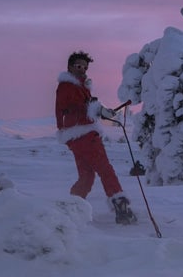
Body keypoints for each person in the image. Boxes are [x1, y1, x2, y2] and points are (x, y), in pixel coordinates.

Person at [55, 51, 137, 225]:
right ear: (69, 67)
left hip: (75, 137)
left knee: (87, 176)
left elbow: (81, 108)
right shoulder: (68, 86)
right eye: (78, 66)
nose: (82, 69)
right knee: (105, 170)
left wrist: (101, 110)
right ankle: (121, 209)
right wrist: (97, 109)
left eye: (85, 67)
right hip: (85, 136)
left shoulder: (77, 87)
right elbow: (76, 107)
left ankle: (72, 208)